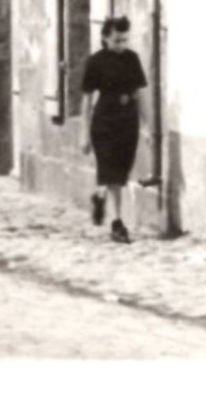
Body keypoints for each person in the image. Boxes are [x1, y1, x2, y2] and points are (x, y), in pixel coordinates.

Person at [81, 16, 148, 244]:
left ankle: (101, 196)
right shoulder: (95, 62)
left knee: (120, 171)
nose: (121, 45)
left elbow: (140, 95)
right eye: (117, 40)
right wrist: (84, 134)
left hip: (128, 121)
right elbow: (87, 101)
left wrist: (147, 126)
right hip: (105, 121)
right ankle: (117, 224)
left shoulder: (132, 59)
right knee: (113, 174)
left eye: (125, 40)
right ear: (105, 38)